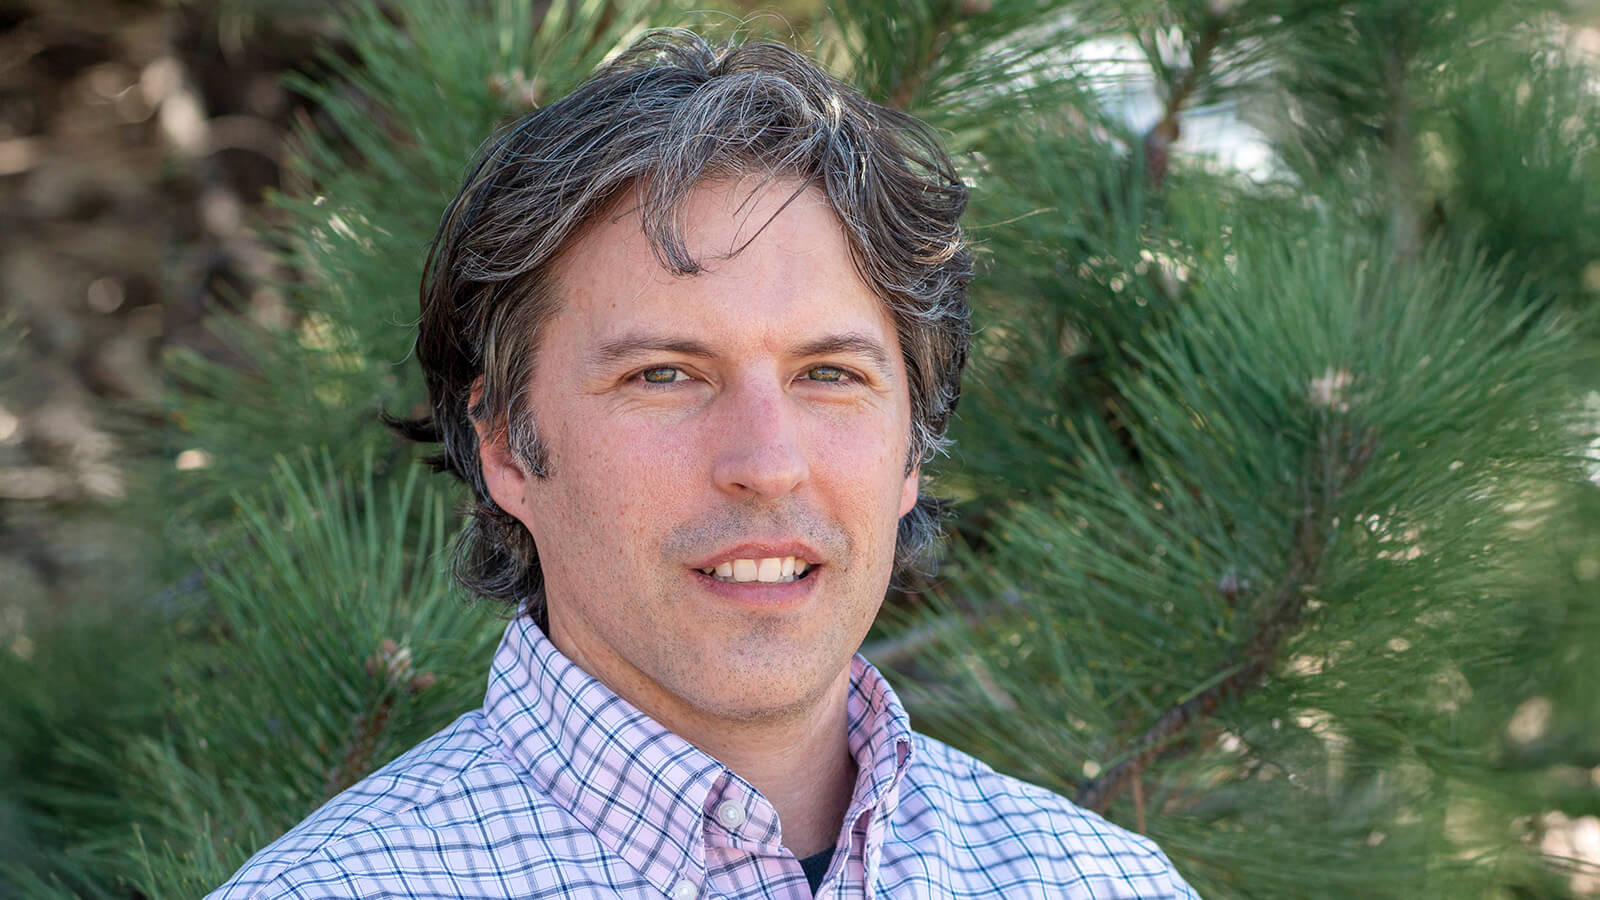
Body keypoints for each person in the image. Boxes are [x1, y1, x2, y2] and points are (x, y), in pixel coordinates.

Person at [209, 29, 1197, 900]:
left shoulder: (1103, 882)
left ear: (912, 444)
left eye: (828, 374)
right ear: (506, 443)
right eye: (666, 374)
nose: (768, 464)